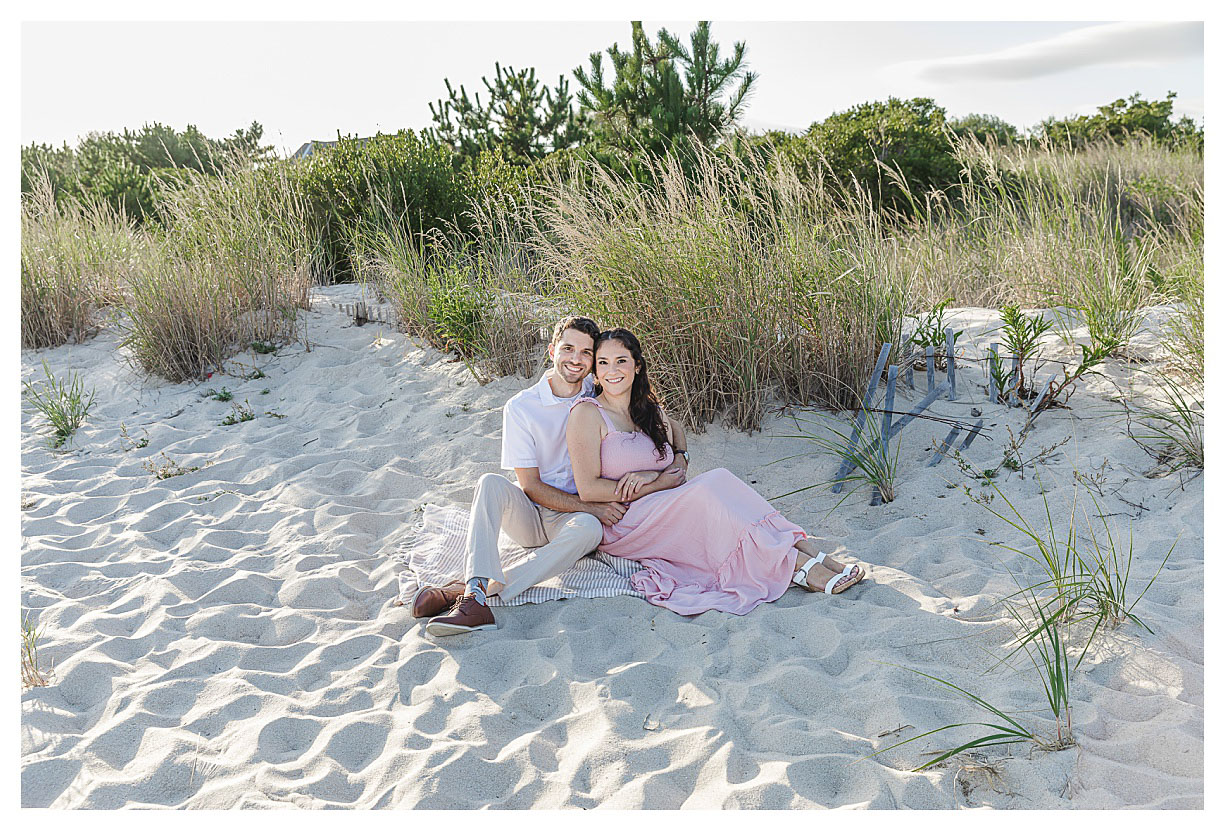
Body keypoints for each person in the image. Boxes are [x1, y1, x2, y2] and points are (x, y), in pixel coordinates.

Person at [564, 328, 865, 616]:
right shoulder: (587, 413)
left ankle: (807, 550)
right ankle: (796, 565)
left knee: (719, 478)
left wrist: (680, 460)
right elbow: (589, 489)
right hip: (626, 520)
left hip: (666, 502)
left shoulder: (644, 408)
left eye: (621, 361)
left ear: (637, 366)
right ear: (595, 371)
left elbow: (677, 432)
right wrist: (656, 482)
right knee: (706, 493)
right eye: (603, 363)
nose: (612, 370)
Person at [417, 316, 629, 636]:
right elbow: (529, 486)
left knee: (589, 528)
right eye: (568, 348)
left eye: (586, 353)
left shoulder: (597, 391)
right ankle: (475, 589)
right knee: (489, 482)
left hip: (570, 524)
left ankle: (469, 595)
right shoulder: (522, 407)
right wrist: (591, 507)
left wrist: (679, 455)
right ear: (551, 350)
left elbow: (649, 409)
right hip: (532, 513)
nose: (576, 359)